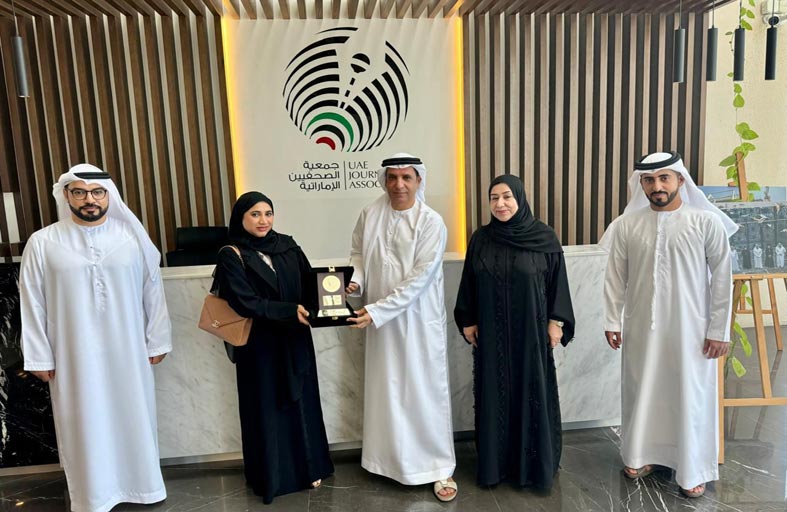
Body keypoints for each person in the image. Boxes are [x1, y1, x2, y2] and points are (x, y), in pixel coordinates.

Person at [20, 164, 172, 512]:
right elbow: (32, 302)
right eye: (80, 192)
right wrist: (40, 356)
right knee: (83, 420)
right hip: (73, 353)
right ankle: (93, 496)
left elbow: (152, 290)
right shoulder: (43, 242)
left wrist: (158, 339)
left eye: (97, 192)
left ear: (108, 195)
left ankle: (143, 487)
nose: (89, 199)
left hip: (129, 350)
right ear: (67, 196)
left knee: (133, 414)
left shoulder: (131, 237)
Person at [601, 151, 737, 498]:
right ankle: (641, 455)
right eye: (649, 180)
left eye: (664, 178)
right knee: (642, 389)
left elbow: (723, 280)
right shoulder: (627, 225)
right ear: (641, 184)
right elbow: (615, 278)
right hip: (640, 327)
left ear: (680, 179)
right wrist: (612, 319)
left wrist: (718, 330)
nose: (657, 186)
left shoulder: (705, 222)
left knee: (690, 395)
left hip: (691, 330)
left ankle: (692, 469)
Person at [346, 153, 457, 501]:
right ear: (384, 180)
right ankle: (387, 463)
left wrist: (376, 311)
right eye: (392, 177)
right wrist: (356, 281)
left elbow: (419, 279)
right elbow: (358, 254)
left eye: (406, 177)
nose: (399, 185)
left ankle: (437, 467)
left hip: (417, 323)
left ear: (418, 180)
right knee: (388, 391)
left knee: (423, 392)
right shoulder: (370, 213)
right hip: (380, 323)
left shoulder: (431, 222)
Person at [454, 174, 575, 489]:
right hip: (491, 335)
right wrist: (467, 319)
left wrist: (556, 322)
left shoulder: (544, 237)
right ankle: (496, 467)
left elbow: (557, 283)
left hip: (531, 335)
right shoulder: (481, 239)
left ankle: (533, 467)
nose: (500, 204)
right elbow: (469, 282)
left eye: (507, 196)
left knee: (531, 392)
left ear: (520, 198)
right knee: (494, 395)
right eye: (494, 198)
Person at [212, 191, 333, 504]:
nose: (263, 220)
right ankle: (273, 477)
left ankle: (311, 468)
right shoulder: (231, 254)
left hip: (295, 338)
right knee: (267, 406)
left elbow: (309, 283)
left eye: (268, 213)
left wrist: (331, 295)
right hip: (260, 346)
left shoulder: (287, 245)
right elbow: (244, 301)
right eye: (255, 214)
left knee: (302, 402)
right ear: (241, 217)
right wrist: (289, 311)